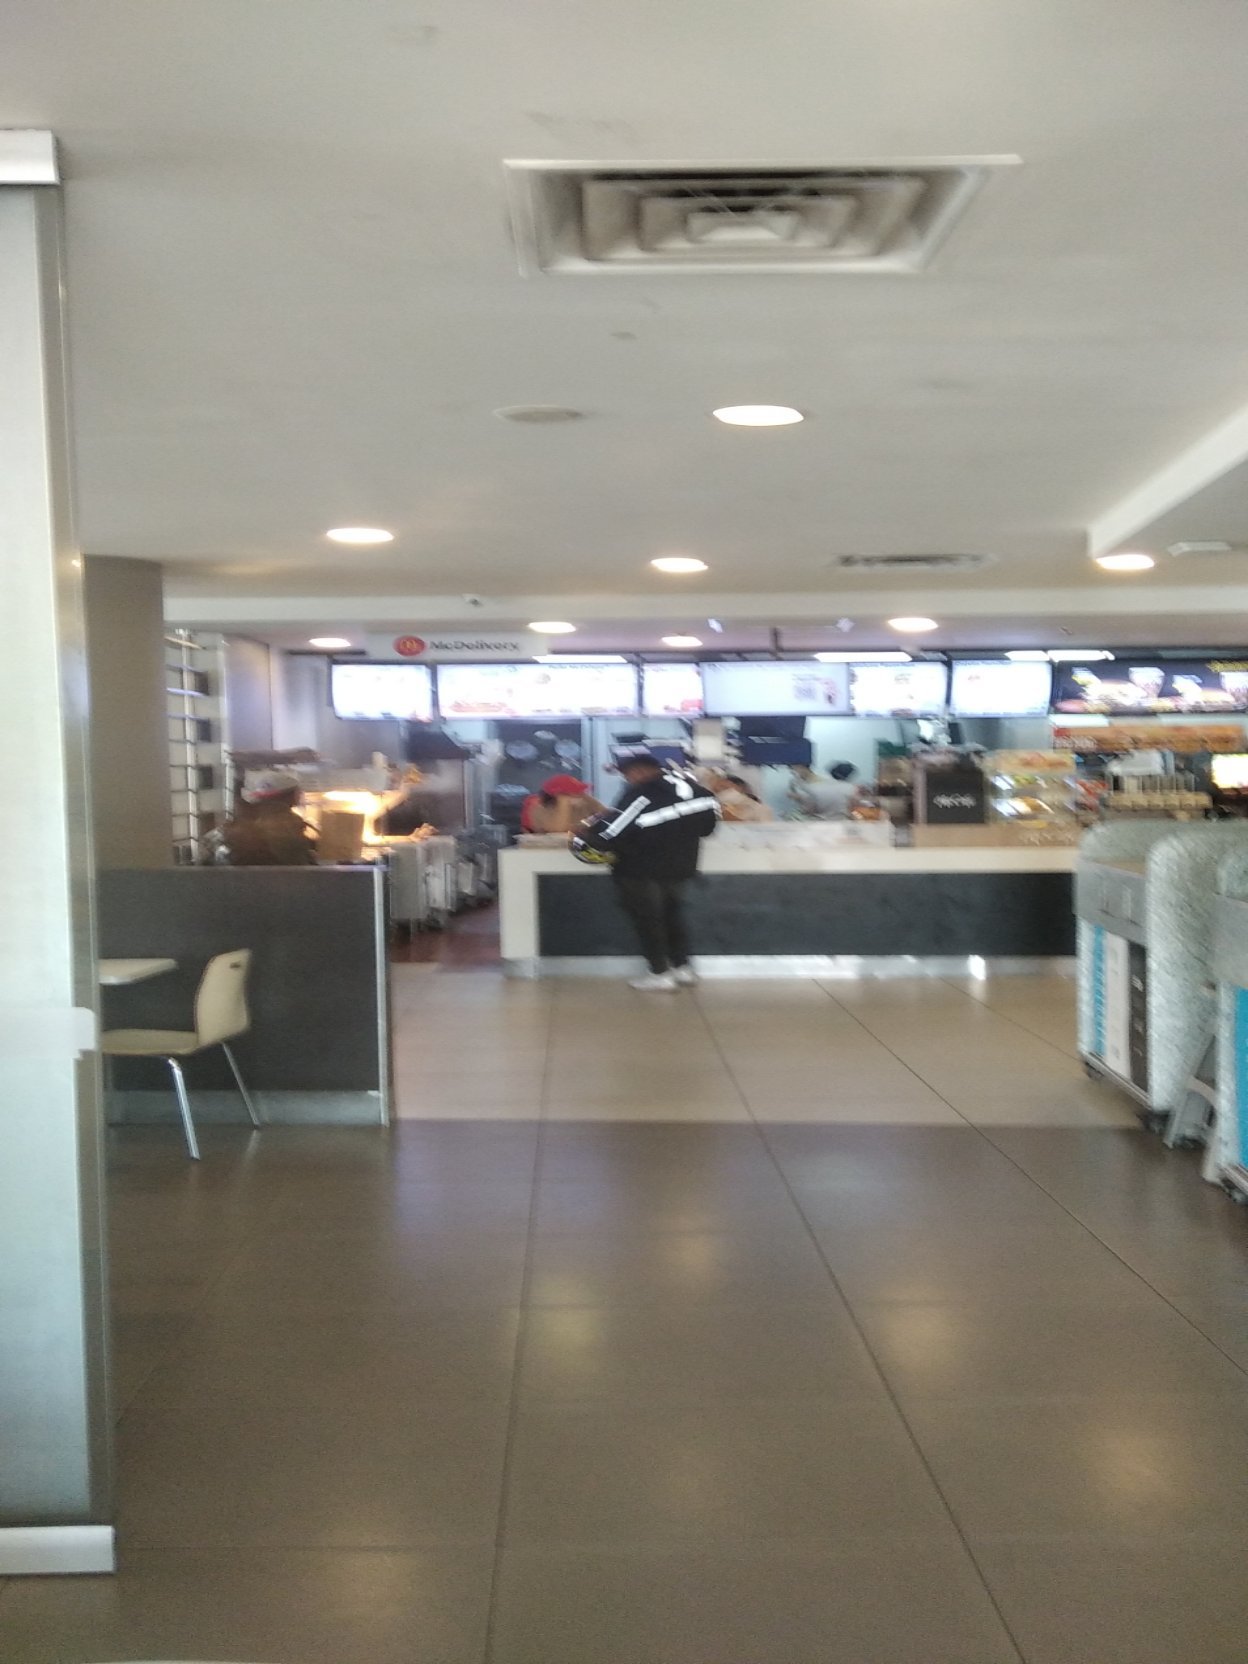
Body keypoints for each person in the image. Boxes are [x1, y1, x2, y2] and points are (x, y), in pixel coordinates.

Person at [586, 752, 720, 991]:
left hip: (640, 869)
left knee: (648, 921)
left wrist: (587, 834)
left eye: (627, 775)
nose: (627, 780)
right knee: (672, 917)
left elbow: (612, 831)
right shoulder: (697, 790)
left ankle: (660, 973)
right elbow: (707, 829)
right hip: (682, 867)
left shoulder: (642, 793)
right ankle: (682, 968)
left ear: (638, 771)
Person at [220, 769, 318, 865]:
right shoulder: (286, 824)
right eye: (297, 792)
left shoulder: (243, 822)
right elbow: (294, 861)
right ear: (289, 795)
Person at [521, 773, 605, 835]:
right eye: (575, 792)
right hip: (552, 850)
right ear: (558, 795)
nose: (581, 794)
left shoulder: (585, 800)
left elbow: (607, 815)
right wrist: (563, 803)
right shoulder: (538, 810)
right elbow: (558, 830)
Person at [789, 761, 859, 820]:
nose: (792, 772)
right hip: (839, 822)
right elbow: (853, 810)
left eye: (794, 769)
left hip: (820, 822)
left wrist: (800, 798)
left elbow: (809, 810)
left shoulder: (816, 787)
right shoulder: (851, 789)